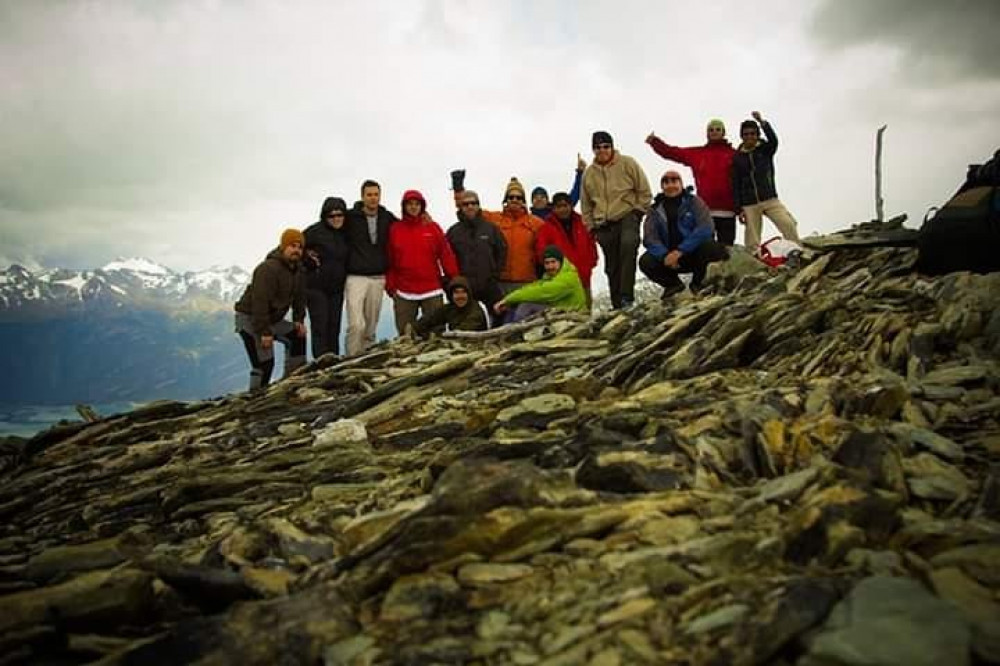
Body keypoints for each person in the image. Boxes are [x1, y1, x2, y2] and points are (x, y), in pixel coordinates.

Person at [581, 130, 652, 309]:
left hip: (627, 215)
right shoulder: (588, 174)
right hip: (603, 225)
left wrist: (638, 212)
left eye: (606, 146)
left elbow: (644, 191)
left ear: (612, 147)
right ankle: (617, 305)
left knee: (629, 247)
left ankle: (627, 297)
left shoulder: (628, 163)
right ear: (593, 150)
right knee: (612, 266)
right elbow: (586, 204)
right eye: (597, 147)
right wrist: (591, 228)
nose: (602, 150)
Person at [234, 228, 307, 391]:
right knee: (265, 364)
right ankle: (254, 400)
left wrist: (299, 320)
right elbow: (259, 302)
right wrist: (264, 332)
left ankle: (292, 384)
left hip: (272, 319)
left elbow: (300, 298)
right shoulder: (267, 269)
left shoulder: (298, 270)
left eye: (300, 247)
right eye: (292, 246)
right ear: (283, 246)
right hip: (251, 319)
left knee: (297, 336)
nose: (296, 250)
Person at [645, 119, 738, 246]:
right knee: (705, 250)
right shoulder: (698, 154)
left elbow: (745, 178)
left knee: (727, 250)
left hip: (728, 210)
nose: (714, 132)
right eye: (711, 130)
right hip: (705, 211)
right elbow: (673, 153)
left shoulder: (734, 154)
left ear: (723, 132)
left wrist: (742, 207)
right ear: (707, 134)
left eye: (718, 129)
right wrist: (655, 142)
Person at [639, 171, 729, 300]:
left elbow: (705, 228)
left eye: (674, 181)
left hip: (694, 254)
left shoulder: (694, 202)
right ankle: (673, 286)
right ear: (662, 186)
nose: (670, 185)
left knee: (711, 247)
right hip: (669, 259)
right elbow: (650, 238)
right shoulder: (655, 210)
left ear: (681, 184)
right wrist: (665, 255)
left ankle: (698, 284)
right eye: (666, 182)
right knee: (646, 261)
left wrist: (680, 251)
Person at [452, 172, 544, 295]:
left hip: (527, 281)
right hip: (500, 282)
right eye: (511, 197)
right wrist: (458, 188)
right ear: (506, 200)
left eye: (519, 197)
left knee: (526, 314)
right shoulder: (494, 218)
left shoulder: (536, 222)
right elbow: (469, 209)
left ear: (524, 201)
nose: (515, 200)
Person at [386, 190, 459, 336]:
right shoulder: (395, 229)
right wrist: (391, 287)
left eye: (417, 204)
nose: (413, 207)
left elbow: (445, 254)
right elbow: (390, 260)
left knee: (436, 333)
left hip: (432, 288)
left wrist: (455, 278)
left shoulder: (432, 227)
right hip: (404, 291)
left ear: (422, 206)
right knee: (405, 334)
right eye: (410, 204)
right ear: (404, 207)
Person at [731, 111, 801, 253]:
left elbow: (774, 140)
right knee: (752, 239)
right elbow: (735, 184)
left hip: (769, 198)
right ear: (742, 136)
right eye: (746, 134)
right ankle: (755, 262)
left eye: (752, 133)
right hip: (749, 203)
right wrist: (739, 209)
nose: (749, 137)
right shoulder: (737, 158)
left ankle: (798, 251)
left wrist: (762, 122)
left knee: (788, 224)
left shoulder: (765, 149)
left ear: (757, 135)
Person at [344, 179, 397, 356]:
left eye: (376, 194)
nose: (373, 198)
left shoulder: (386, 217)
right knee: (356, 324)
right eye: (369, 195)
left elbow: (404, 228)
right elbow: (329, 227)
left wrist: (424, 217)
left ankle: (366, 357)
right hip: (356, 276)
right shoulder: (350, 217)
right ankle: (351, 357)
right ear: (362, 196)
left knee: (371, 324)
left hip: (378, 277)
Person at [445, 187, 507, 318]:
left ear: (479, 206)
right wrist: (454, 281)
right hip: (465, 288)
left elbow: (502, 251)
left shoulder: (490, 228)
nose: (470, 206)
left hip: (489, 284)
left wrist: (495, 273)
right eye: (466, 204)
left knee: (500, 315)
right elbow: (446, 257)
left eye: (474, 203)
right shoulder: (453, 232)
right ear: (460, 207)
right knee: (468, 322)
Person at [302, 196, 349, 358]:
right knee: (320, 326)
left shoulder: (346, 233)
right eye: (332, 215)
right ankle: (321, 362)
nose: (336, 218)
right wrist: (307, 260)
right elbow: (293, 247)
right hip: (316, 288)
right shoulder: (314, 232)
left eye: (340, 214)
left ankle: (333, 361)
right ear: (325, 216)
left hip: (336, 289)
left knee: (334, 326)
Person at [535, 192, 598, 306]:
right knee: (564, 317)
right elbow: (541, 251)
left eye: (565, 205)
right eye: (559, 206)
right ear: (553, 208)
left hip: (583, 278)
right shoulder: (546, 228)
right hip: (559, 282)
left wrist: (591, 263)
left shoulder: (583, 222)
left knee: (586, 313)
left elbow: (592, 244)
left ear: (571, 206)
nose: (563, 209)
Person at [494, 245, 588, 322]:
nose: (550, 266)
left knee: (527, 306)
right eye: (547, 263)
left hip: (572, 317)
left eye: (553, 262)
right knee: (516, 306)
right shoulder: (549, 277)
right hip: (559, 313)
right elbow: (532, 287)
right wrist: (509, 301)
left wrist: (508, 299)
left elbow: (541, 291)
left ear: (561, 262)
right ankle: (507, 331)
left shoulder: (568, 278)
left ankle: (513, 334)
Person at [412, 276, 490, 338]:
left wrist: (436, 332)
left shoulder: (476, 311)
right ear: (451, 295)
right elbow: (426, 321)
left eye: (463, 292)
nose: (460, 296)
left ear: (469, 294)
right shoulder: (450, 308)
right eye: (456, 292)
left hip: (474, 346)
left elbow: (459, 334)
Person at [530, 154, 588, 219]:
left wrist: (580, 173)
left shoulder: (557, 212)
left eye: (542, 197)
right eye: (535, 197)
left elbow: (574, 196)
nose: (539, 199)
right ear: (532, 202)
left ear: (547, 200)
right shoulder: (528, 219)